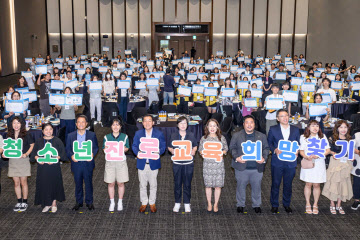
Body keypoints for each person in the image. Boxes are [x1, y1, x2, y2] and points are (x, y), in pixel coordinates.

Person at [229, 115, 269, 214]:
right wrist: (236, 157)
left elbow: (266, 148)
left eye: (251, 122)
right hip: (241, 167)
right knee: (240, 187)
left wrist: (264, 158)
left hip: (256, 167)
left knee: (257, 187)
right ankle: (240, 204)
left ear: (254, 124)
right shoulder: (236, 135)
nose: (249, 125)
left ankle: (256, 205)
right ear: (243, 124)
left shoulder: (262, 136)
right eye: (247, 122)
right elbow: (232, 148)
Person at [267, 109, 300, 214]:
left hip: (291, 161)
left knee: (288, 184)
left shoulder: (295, 129)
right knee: (275, 183)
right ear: (277, 119)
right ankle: (274, 204)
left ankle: (286, 204)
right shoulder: (273, 129)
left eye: (286, 115)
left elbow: (299, 143)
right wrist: (274, 150)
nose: (285, 118)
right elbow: (269, 143)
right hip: (278, 160)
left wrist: (298, 151)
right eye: (282, 116)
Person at [132, 115, 166, 213]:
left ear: (153, 123)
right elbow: (134, 146)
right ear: (142, 123)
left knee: (153, 184)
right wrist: (137, 153)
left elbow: (163, 147)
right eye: (145, 121)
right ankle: (144, 202)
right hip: (142, 162)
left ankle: (152, 203)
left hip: (153, 162)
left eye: (149, 121)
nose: (147, 123)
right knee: (142, 184)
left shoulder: (159, 134)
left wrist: (158, 153)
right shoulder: (138, 134)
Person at [31, 123, 67, 213]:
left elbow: (62, 154)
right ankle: (47, 203)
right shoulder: (39, 141)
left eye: (50, 129)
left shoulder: (57, 141)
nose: (48, 131)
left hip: (54, 167)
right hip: (42, 168)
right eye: (46, 129)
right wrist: (37, 158)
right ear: (42, 131)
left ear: (53, 130)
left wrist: (56, 158)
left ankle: (54, 203)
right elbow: (34, 155)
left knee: (54, 184)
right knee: (44, 184)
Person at [66, 115, 99, 211]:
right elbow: (68, 149)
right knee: (78, 183)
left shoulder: (91, 135)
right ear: (76, 124)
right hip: (76, 163)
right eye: (79, 122)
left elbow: (95, 147)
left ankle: (89, 202)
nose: (81, 124)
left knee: (88, 183)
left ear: (86, 124)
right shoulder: (70, 136)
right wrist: (71, 156)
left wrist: (92, 154)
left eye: (83, 122)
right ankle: (78, 202)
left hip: (87, 162)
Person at [322, 120, 354, 214]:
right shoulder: (332, 138)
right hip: (335, 163)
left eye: (345, 127)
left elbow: (350, 151)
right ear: (337, 128)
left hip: (345, 164)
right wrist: (333, 153)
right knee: (333, 182)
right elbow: (327, 150)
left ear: (348, 128)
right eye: (341, 127)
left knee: (343, 183)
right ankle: (332, 204)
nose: (343, 129)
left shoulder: (349, 138)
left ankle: (339, 205)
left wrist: (351, 157)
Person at [299, 120, 331, 214]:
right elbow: (301, 151)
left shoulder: (322, 137)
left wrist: (319, 155)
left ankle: (315, 204)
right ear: (308, 127)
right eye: (313, 126)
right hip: (308, 162)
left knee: (317, 184)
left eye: (317, 126)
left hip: (319, 162)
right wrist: (306, 156)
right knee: (308, 184)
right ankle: (308, 203)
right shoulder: (304, 137)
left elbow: (328, 150)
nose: (315, 128)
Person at [3, 117, 34, 212]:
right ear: (11, 125)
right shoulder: (9, 136)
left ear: (22, 124)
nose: (16, 125)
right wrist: (4, 153)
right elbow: (5, 147)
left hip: (23, 160)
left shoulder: (26, 134)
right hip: (13, 161)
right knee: (16, 183)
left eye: (18, 123)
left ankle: (24, 202)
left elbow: (32, 145)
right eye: (14, 123)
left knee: (23, 182)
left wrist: (26, 154)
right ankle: (19, 201)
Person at [168, 116, 198, 213]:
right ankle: (177, 202)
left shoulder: (191, 134)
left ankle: (187, 203)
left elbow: (195, 145)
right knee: (177, 183)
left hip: (188, 163)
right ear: (177, 125)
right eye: (181, 123)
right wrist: (171, 150)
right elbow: (169, 146)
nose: (183, 125)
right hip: (177, 163)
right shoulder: (173, 135)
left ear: (187, 124)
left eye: (185, 123)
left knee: (187, 183)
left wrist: (194, 150)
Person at [198, 119, 228, 212]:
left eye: (214, 126)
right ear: (207, 127)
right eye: (210, 126)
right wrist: (202, 153)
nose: (212, 128)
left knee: (218, 186)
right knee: (208, 186)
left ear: (217, 127)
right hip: (207, 165)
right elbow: (200, 150)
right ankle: (209, 203)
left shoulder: (221, 138)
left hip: (218, 165)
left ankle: (216, 204)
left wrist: (222, 152)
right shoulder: (204, 138)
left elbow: (226, 149)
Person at [103, 118, 129, 212]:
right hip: (110, 162)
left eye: (117, 125)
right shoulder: (106, 137)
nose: (115, 127)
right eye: (114, 125)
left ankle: (120, 202)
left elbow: (127, 148)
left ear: (120, 126)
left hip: (121, 162)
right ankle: (112, 202)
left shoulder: (124, 136)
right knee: (111, 183)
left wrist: (123, 149)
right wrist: (106, 149)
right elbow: (104, 149)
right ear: (111, 126)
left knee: (120, 183)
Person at [351, 131, 360, 210]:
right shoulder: (356, 135)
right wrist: (357, 151)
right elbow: (350, 146)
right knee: (357, 183)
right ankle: (357, 200)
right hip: (358, 164)